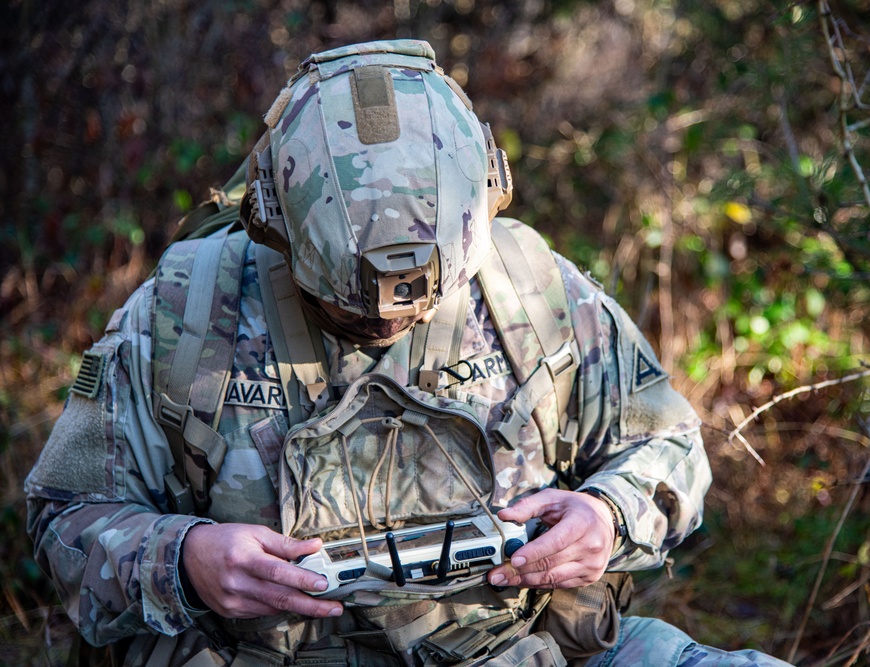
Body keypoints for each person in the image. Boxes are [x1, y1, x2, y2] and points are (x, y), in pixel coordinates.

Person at [26, 40, 793, 667]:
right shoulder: (187, 311)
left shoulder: (529, 288)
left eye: (420, 306)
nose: (383, 327)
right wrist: (185, 556)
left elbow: (669, 445)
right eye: (341, 310)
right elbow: (63, 516)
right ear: (273, 224)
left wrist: (605, 513)